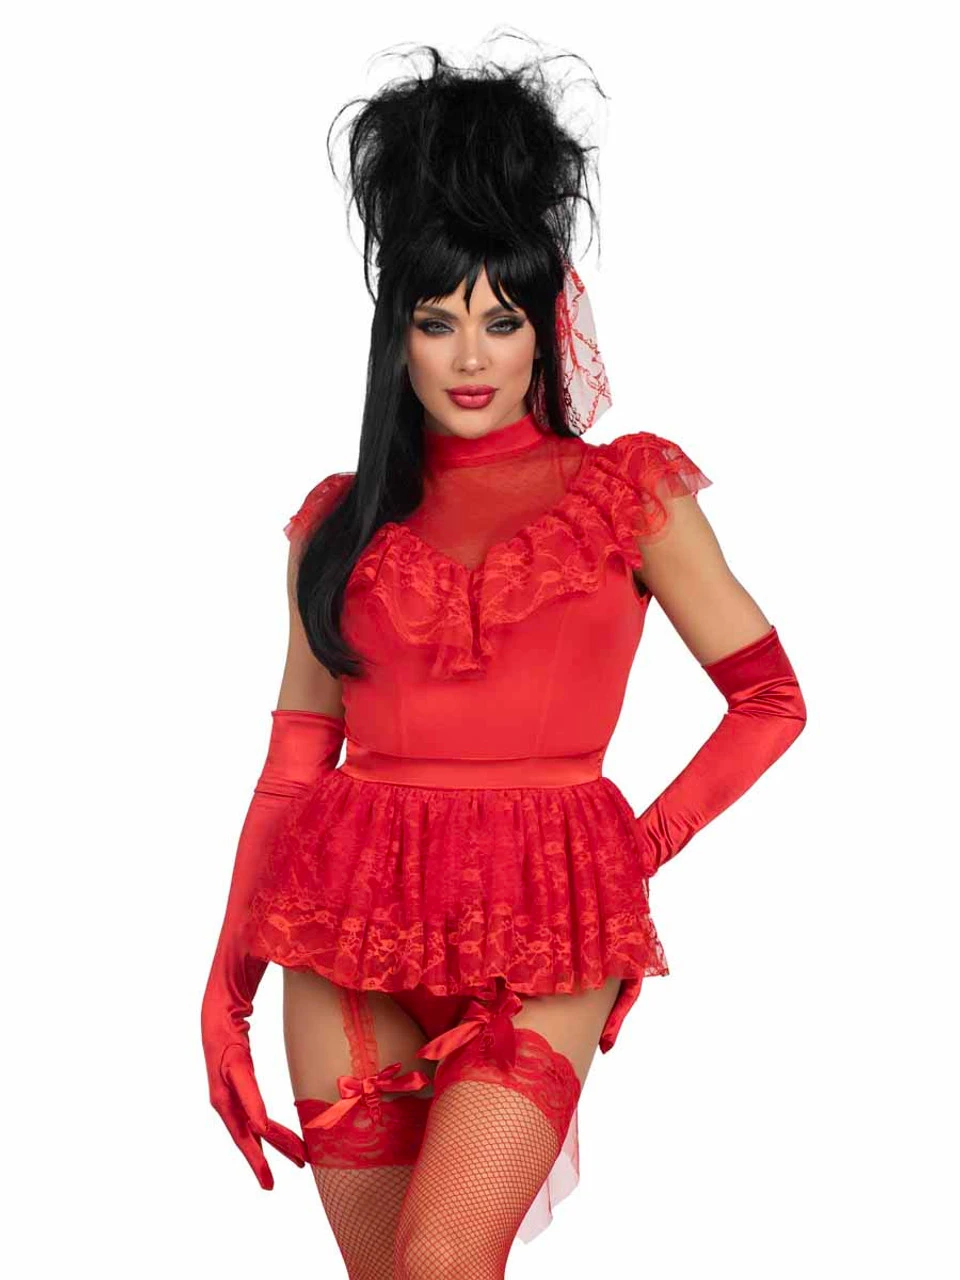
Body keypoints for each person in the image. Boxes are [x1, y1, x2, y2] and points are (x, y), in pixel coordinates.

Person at [201, 37, 807, 1280]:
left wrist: (632, 848)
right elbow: (295, 763)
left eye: (501, 319)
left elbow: (770, 699)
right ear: (400, 339)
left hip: (547, 926)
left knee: (443, 1258)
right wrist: (227, 983)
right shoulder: (340, 524)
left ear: (547, 324)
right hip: (343, 925)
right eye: (437, 322)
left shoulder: (625, 495)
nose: (470, 357)